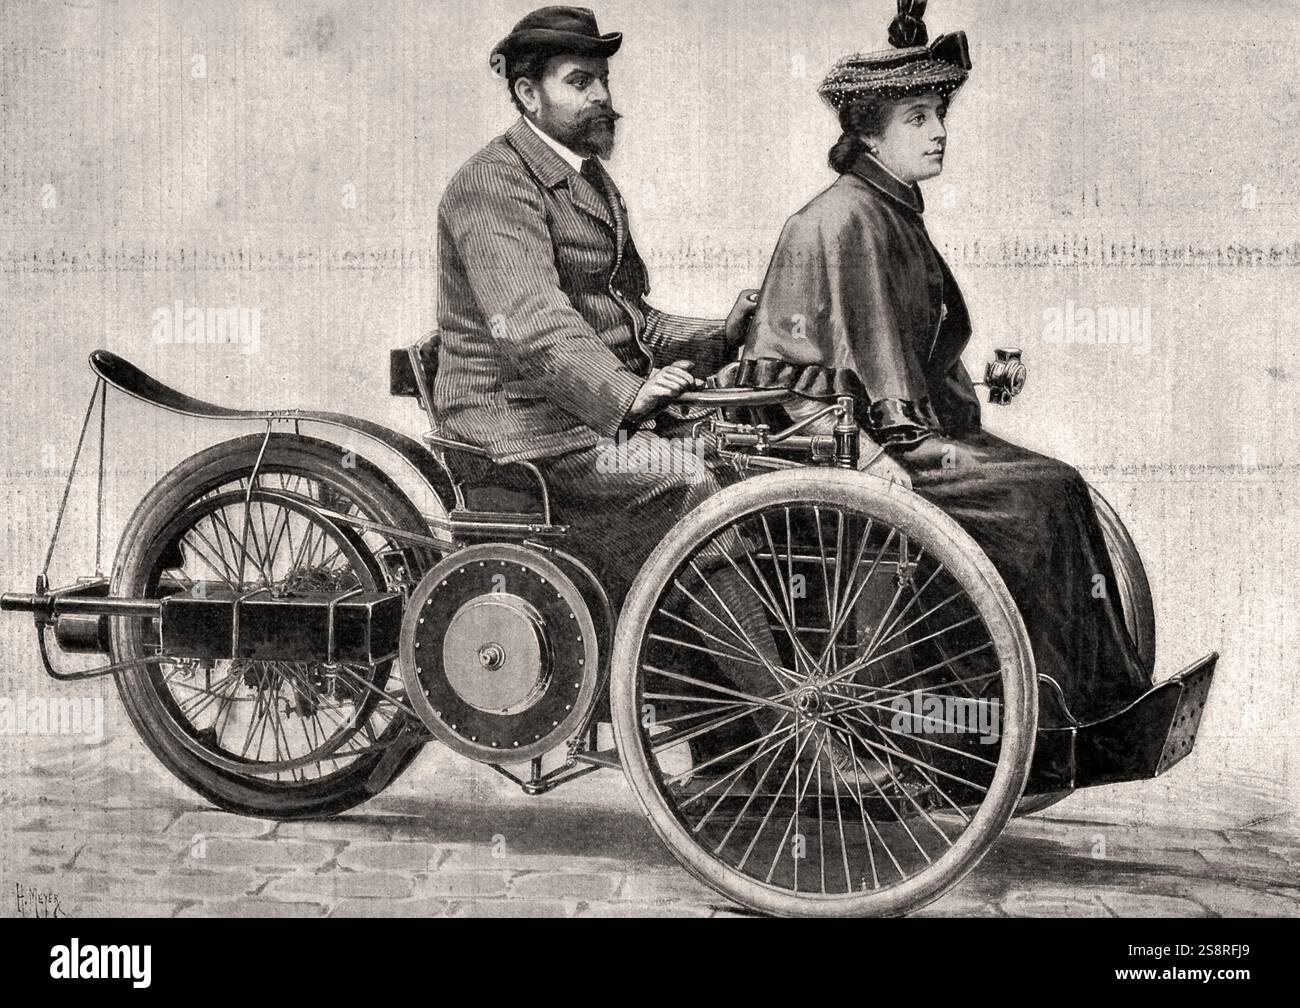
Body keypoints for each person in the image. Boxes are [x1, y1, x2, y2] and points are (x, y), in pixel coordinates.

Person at [738, 0, 1153, 724]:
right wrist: (882, 449)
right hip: (841, 450)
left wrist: (959, 386)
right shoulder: (843, 220)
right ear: (869, 133)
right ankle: (1039, 714)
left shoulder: (887, 210)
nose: (938, 133)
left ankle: (1085, 704)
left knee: (1058, 489)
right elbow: (820, 375)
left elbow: (900, 351)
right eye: (918, 118)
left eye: (939, 114)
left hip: (894, 433)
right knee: (1041, 498)